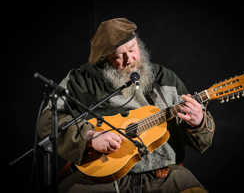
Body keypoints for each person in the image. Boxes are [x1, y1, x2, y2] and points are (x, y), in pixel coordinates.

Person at [39, 17, 215, 193]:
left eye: (132, 49)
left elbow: (202, 141)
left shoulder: (165, 79)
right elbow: (47, 121)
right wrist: (89, 137)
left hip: (163, 177)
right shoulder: (80, 80)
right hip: (100, 178)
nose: (129, 59)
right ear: (105, 58)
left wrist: (199, 122)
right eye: (118, 56)